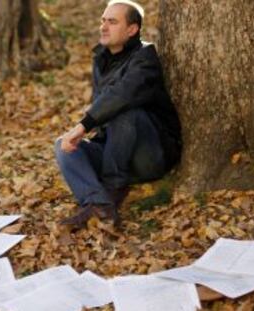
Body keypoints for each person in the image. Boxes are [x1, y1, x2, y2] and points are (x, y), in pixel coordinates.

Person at [55, 0, 181, 228]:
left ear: (132, 29)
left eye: (112, 22)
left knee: (125, 112)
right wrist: (81, 137)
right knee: (63, 147)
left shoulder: (145, 57)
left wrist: (83, 125)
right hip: (115, 150)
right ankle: (99, 204)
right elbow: (101, 105)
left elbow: (122, 94)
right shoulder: (100, 59)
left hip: (150, 154)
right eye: (103, 20)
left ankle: (113, 189)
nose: (103, 26)